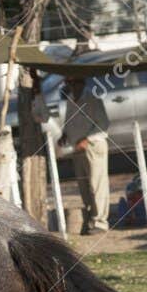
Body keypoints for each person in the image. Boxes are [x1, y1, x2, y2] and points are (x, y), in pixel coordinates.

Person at [36, 69, 110, 234]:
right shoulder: (70, 100)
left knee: (97, 185)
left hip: (93, 146)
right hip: (77, 147)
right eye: (68, 83)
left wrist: (87, 139)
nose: (70, 86)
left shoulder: (92, 98)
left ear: (81, 83)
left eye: (73, 83)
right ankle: (91, 219)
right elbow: (71, 122)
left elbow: (103, 125)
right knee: (84, 186)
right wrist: (65, 135)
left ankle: (101, 222)